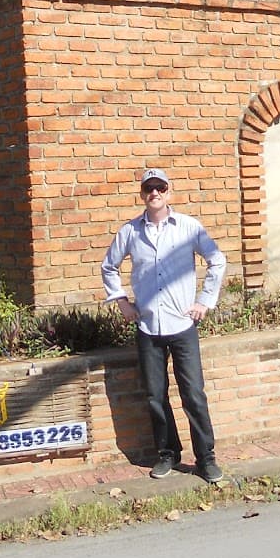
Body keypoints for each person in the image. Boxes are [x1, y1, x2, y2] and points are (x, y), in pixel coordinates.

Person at [101, 167, 228, 484]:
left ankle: (206, 459)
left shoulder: (188, 227)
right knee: (155, 397)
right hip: (148, 328)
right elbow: (108, 266)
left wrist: (205, 301)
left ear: (169, 192)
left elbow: (217, 260)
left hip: (182, 326)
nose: (154, 193)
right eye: (149, 189)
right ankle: (167, 454)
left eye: (160, 188)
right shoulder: (130, 232)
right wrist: (122, 302)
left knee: (193, 395)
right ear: (142, 195)